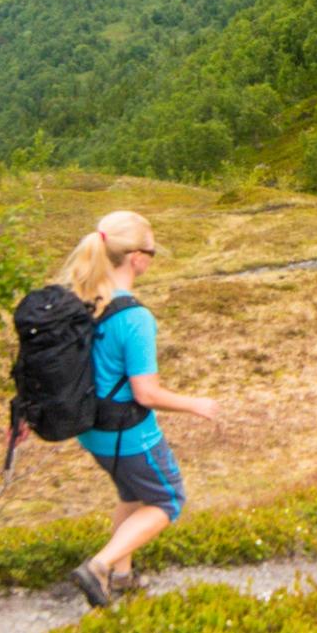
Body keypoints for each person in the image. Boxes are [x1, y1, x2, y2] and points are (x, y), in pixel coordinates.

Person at [61, 209, 223, 609]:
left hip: (91, 430)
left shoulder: (84, 301)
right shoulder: (135, 318)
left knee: (132, 493)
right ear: (136, 258)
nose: (152, 257)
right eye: (151, 250)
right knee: (168, 500)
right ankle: (99, 566)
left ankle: (122, 576)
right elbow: (146, 393)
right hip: (129, 433)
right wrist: (196, 404)